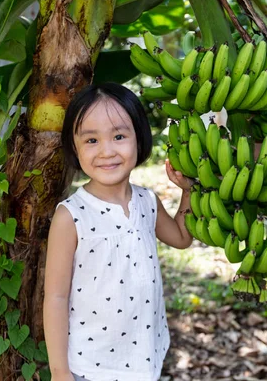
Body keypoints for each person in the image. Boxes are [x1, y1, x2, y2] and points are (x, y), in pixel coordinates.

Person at [44, 83, 193, 381]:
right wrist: (60, 372)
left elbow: (181, 237)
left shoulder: (147, 201)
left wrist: (188, 192)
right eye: (91, 140)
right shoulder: (71, 216)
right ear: (74, 147)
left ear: (140, 139)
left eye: (119, 136)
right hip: (92, 368)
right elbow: (56, 297)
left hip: (145, 357)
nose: (107, 151)